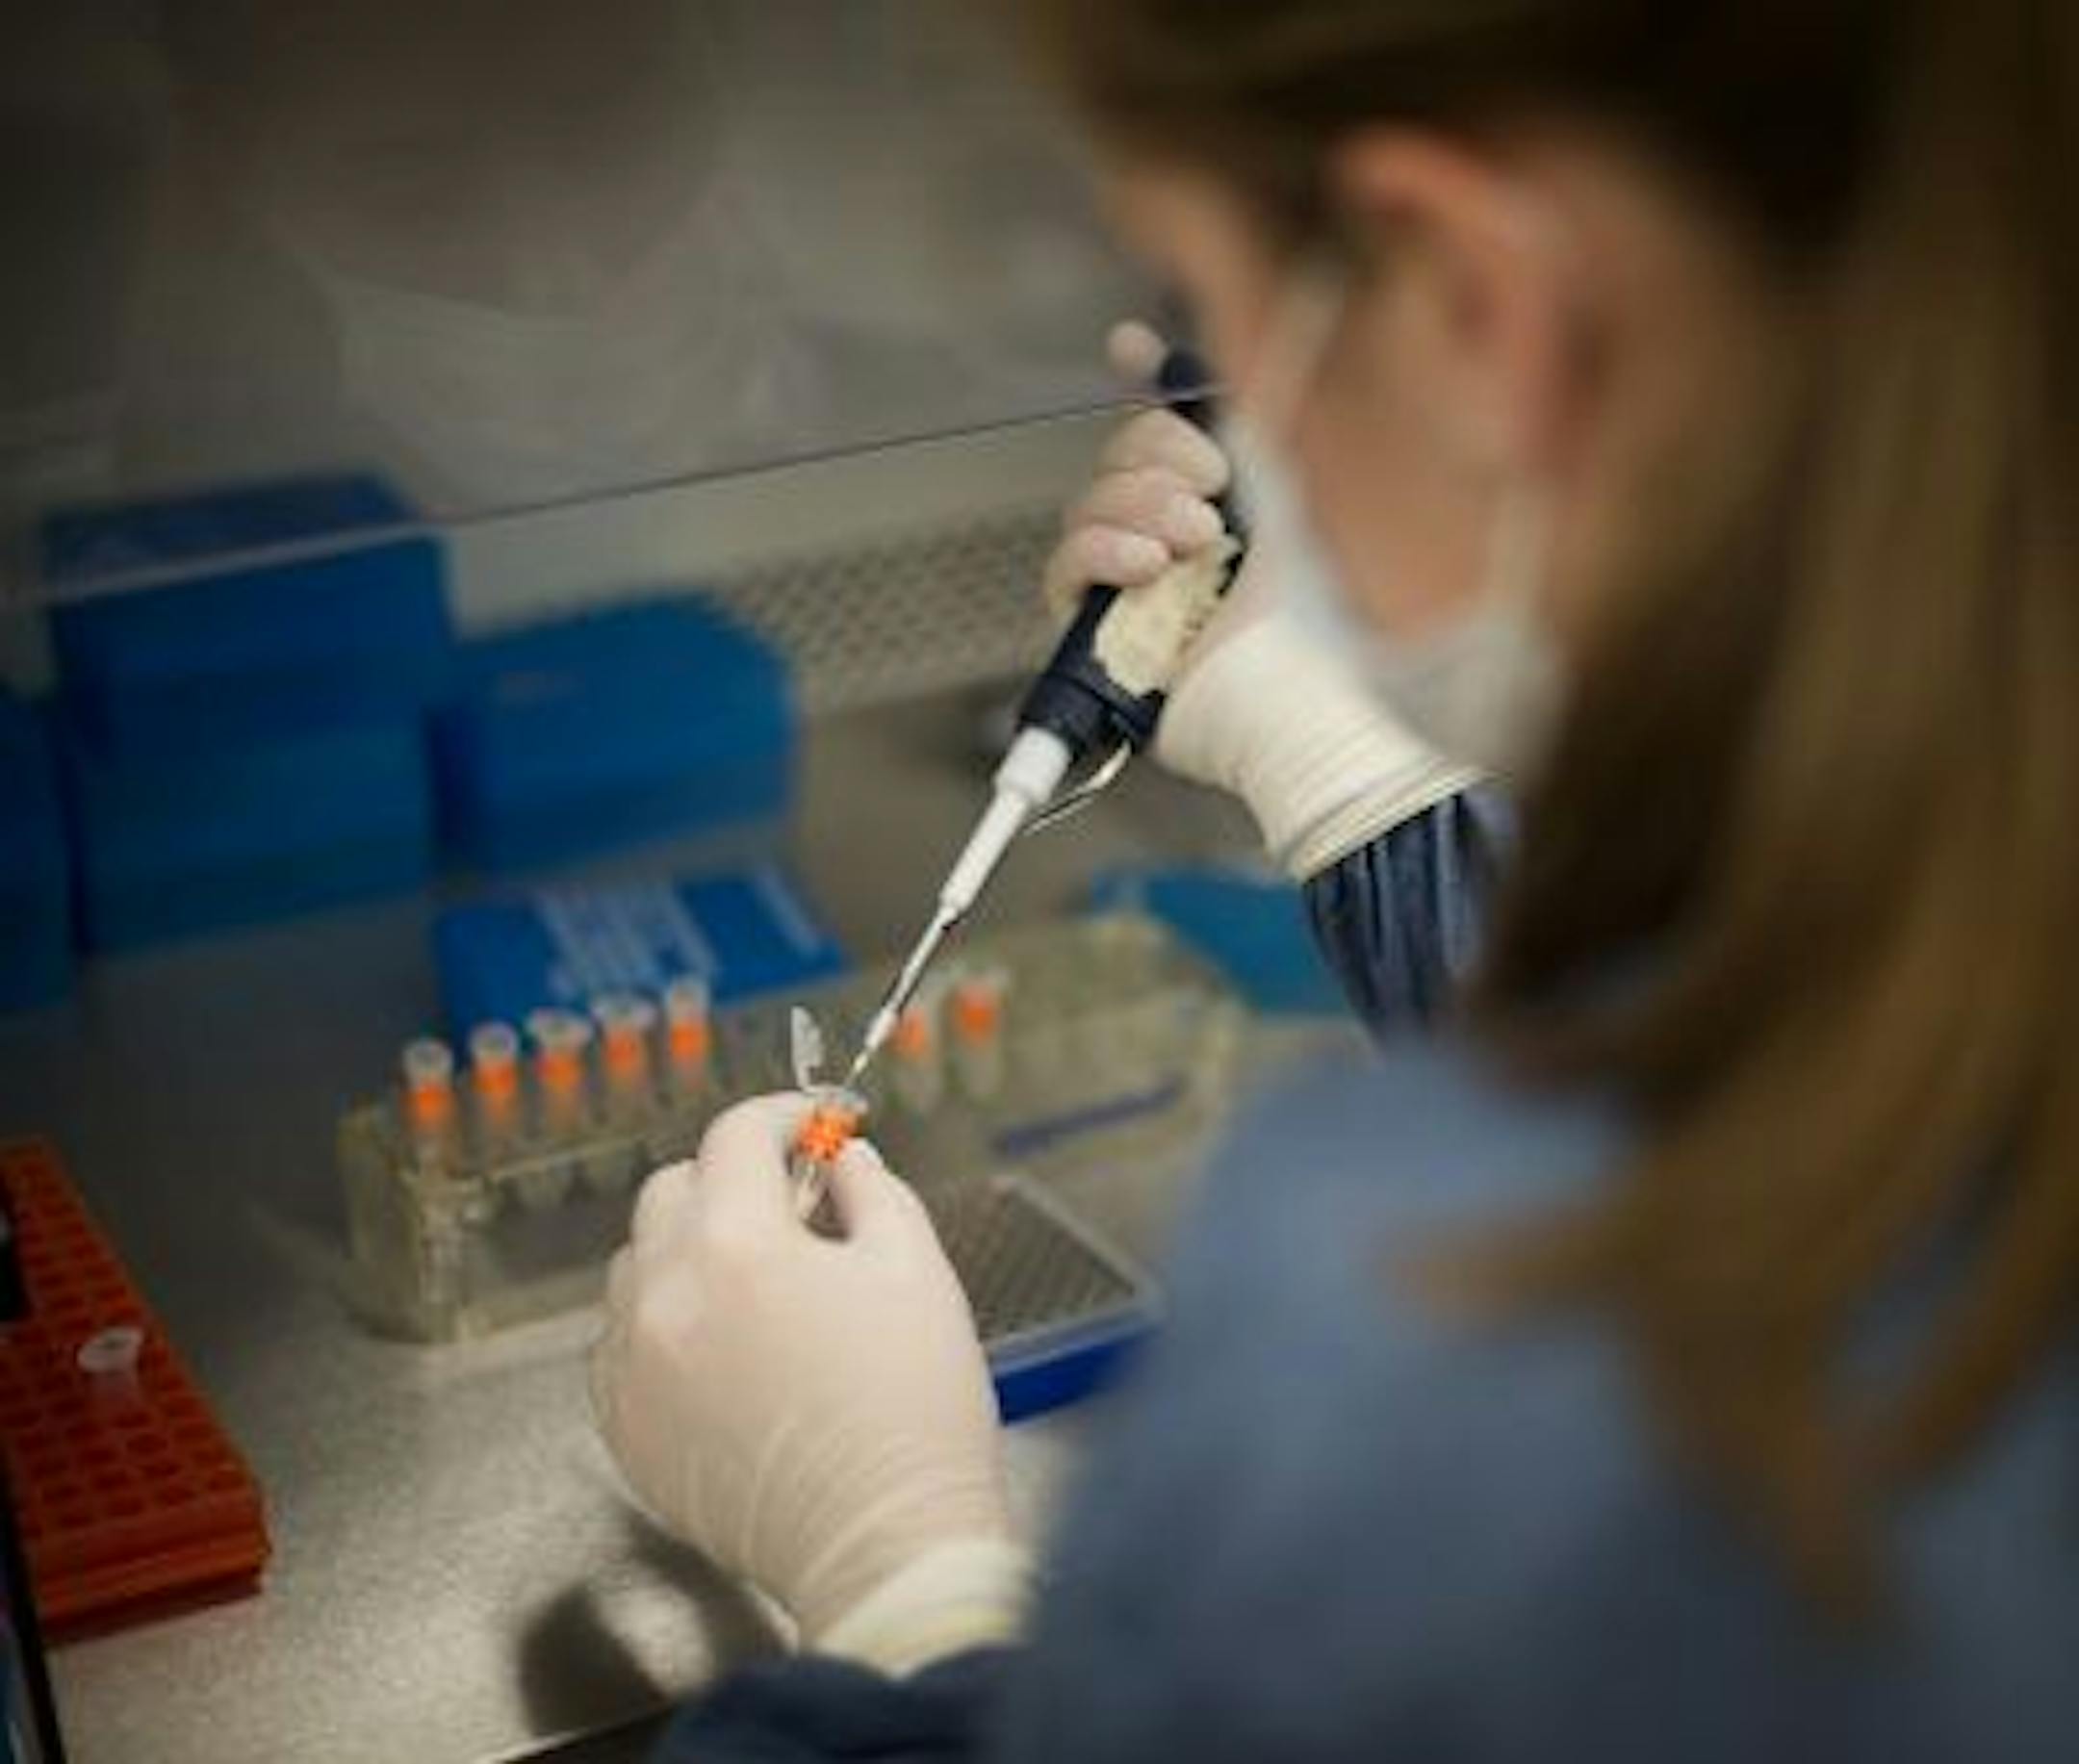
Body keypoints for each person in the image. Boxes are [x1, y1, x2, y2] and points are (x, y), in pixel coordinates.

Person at [590, 1, 2079, 1756]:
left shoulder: (1404, 1323)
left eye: (1208, 326)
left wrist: (901, 1595)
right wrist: (1360, 780)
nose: (1199, 409)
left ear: (1472, 303)